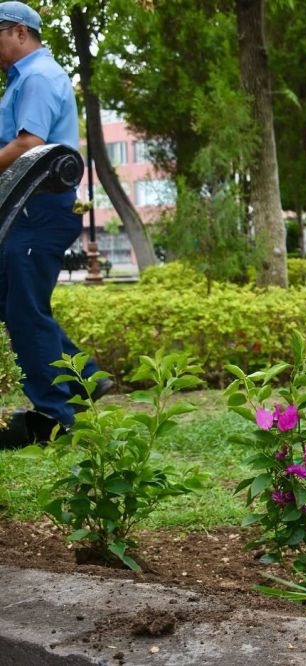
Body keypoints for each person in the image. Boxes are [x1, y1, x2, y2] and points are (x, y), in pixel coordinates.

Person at [0, 2, 110, 449]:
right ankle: (83, 376)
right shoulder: (22, 80)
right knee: (14, 304)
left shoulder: (39, 78)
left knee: (24, 309)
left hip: (38, 210)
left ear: (19, 33)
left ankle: (56, 417)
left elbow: (29, 144)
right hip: (28, 210)